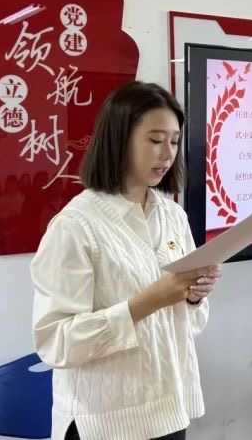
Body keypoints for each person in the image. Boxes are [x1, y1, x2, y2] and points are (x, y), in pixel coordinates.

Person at [31, 80, 220, 440]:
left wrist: (194, 296)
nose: (167, 154)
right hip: (103, 422)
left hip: (167, 410)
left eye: (174, 141)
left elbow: (186, 326)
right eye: (155, 140)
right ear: (119, 139)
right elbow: (55, 341)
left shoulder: (173, 215)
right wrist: (147, 302)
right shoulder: (75, 226)